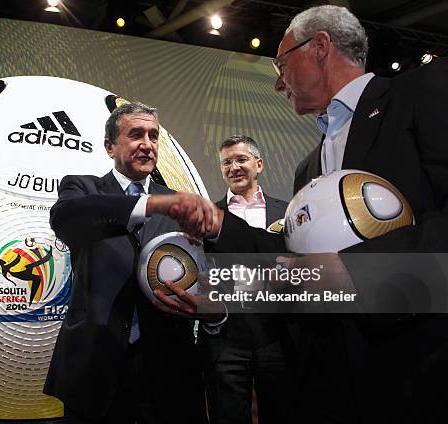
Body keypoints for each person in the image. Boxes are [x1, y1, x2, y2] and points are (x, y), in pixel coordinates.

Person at [153, 5, 448, 424]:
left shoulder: (421, 92)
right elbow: (299, 266)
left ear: (320, 47)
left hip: (417, 372)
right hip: (327, 381)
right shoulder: (306, 168)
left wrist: (356, 273)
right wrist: (220, 245)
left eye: (281, 63)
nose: (277, 83)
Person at [43, 102, 207, 424]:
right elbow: (66, 217)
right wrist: (151, 204)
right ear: (109, 146)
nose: (147, 144)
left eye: (154, 136)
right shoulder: (82, 188)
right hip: (95, 366)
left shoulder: (177, 201)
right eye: (136, 135)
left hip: (165, 365)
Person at [198, 135, 293, 424]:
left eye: (241, 159)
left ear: (259, 164)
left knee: (283, 412)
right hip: (227, 332)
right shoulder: (208, 217)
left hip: (276, 330)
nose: (234, 167)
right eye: (227, 162)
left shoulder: (287, 212)